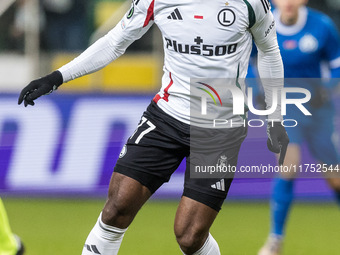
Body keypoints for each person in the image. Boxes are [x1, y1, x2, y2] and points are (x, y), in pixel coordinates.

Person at [18, 0, 289, 254]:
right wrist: (58, 76)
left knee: (190, 235)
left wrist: (275, 117)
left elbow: (269, 51)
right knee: (116, 208)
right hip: (166, 117)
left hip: (219, 128)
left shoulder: (250, 3)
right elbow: (115, 42)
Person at [257, 1, 340, 255]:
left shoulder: (321, 26)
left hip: (317, 111)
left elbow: (337, 66)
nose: (289, 2)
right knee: (288, 165)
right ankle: (275, 241)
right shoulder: (262, 23)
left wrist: (326, 91)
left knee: (335, 178)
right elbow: (247, 60)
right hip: (284, 109)